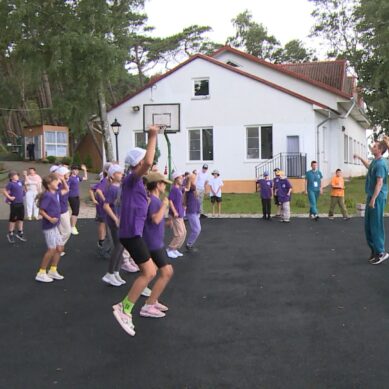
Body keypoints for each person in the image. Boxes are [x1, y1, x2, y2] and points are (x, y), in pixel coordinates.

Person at [112, 125, 162, 336]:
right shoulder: (131, 179)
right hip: (131, 234)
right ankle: (124, 308)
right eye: (145, 163)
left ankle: (126, 307)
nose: (149, 166)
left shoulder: (137, 184)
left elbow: (151, 164)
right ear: (138, 164)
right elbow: (149, 161)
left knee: (150, 271)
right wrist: (152, 136)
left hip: (133, 234)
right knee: (149, 272)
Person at [140, 171, 174, 317]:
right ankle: (149, 305)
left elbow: (154, 221)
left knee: (152, 272)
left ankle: (152, 301)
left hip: (153, 241)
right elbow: (155, 219)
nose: (165, 187)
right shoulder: (155, 201)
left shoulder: (152, 200)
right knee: (167, 272)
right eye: (163, 184)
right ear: (157, 185)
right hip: (153, 243)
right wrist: (165, 206)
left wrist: (166, 223)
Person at [354, 140, 389, 265]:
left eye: (374, 146)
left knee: (376, 225)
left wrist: (373, 199)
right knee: (368, 225)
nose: (372, 147)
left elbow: (379, 183)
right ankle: (374, 250)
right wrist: (360, 158)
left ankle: (381, 252)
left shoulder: (381, 164)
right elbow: (369, 166)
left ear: (379, 150)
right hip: (371, 196)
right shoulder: (375, 161)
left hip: (377, 198)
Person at [35, 173, 66, 283]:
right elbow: (41, 210)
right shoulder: (48, 195)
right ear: (49, 185)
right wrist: (50, 218)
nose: (58, 182)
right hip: (49, 227)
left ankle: (53, 270)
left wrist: (62, 179)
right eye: (55, 181)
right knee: (52, 249)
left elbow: (66, 189)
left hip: (55, 227)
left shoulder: (54, 193)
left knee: (59, 248)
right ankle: (41, 273)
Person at [90, 163, 110, 257]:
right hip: (102, 207)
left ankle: (103, 241)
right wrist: (104, 200)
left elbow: (92, 188)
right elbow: (97, 190)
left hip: (105, 207)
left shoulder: (108, 181)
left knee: (105, 224)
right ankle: (101, 242)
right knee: (103, 223)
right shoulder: (105, 181)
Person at [166, 172, 186, 258]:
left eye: (182, 178)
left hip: (180, 213)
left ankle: (175, 249)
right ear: (176, 179)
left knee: (184, 232)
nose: (182, 179)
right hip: (175, 215)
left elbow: (186, 189)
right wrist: (174, 211)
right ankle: (170, 249)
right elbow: (170, 200)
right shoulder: (174, 189)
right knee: (179, 233)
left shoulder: (179, 188)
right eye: (180, 178)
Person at [3, 171, 27, 243]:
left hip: (21, 203)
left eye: (17, 175)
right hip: (14, 204)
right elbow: (4, 190)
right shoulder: (10, 184)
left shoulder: (19, 182)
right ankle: (10, 234)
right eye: (16, 175)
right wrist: (9, 197)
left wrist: (25, 175)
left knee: (21, 219)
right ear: (11, 177)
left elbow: (24, 181)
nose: (17, 176)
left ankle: (20, 233)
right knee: (13, 219)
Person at [68, 164, 88, 235]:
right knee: (75, 212)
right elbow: (66, 187)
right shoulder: (70, 178)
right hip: (71, 196)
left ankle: (71, 226)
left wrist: (85, 170)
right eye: (75, 169)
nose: (76, 171)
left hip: (76, 196)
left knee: (76, 212)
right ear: (72, 170)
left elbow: (85, 178)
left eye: (77, 170)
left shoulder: (76, 177)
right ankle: (72, 227)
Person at [56, 166, 71, 255]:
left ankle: (58, 247)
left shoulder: (63, 182)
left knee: (61, 231)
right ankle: (57, 247)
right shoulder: (58, 184)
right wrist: (62, 179)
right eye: (67, 173)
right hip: (61, 211)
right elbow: (66, 190)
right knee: (67, 231)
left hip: (64, 209)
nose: (68, 174)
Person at [185, 171, 201, 252]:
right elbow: (187, 189)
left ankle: (189, 244)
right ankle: (189, 244)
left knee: (197, 229)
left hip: (195, 210)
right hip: (191, 210)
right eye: (195, 178)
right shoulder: (191, 187)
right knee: (197, 229)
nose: (196, 178)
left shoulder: (192, 186)